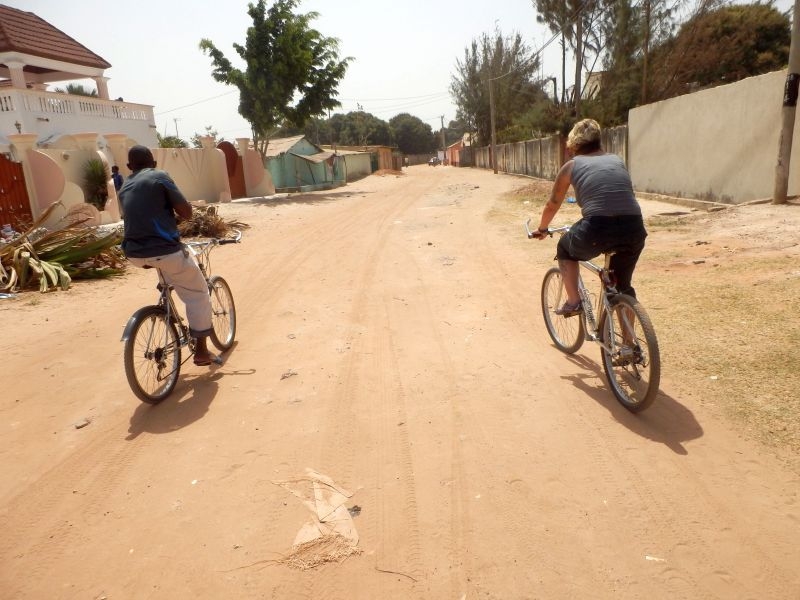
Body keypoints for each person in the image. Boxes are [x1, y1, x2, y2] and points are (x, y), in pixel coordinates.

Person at [531, 118, 647, 316]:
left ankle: (574, 301)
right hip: (634, 228)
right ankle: (630, 344)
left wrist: (542, 229)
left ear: (574, 145)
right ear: (599, 141)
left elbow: (553, 204)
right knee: (621, 286)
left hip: (597, 228)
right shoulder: (617, 160)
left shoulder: (571, 166)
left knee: (564, 248)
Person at [118, 145, 218, 366]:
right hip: (164, 250)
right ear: (153, 163)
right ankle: (201, 352)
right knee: (198, 293)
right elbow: (187, 212)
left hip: (133, 254)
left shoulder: (124, 186)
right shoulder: (159, 175)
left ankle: (167, 307)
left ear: (129, 167)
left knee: (166, 268)